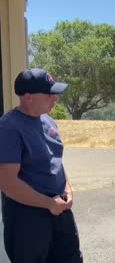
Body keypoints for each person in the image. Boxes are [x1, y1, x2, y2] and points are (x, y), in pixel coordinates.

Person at [0, 68, 83, 263]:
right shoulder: (8, 127)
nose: (55, 98)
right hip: (28, 218)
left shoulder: (49, 121)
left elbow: (55, 162)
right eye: (49, 94)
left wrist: (67, 190)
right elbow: (7, 183)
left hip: (59, 210)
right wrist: (48, 204)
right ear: (28, 97)